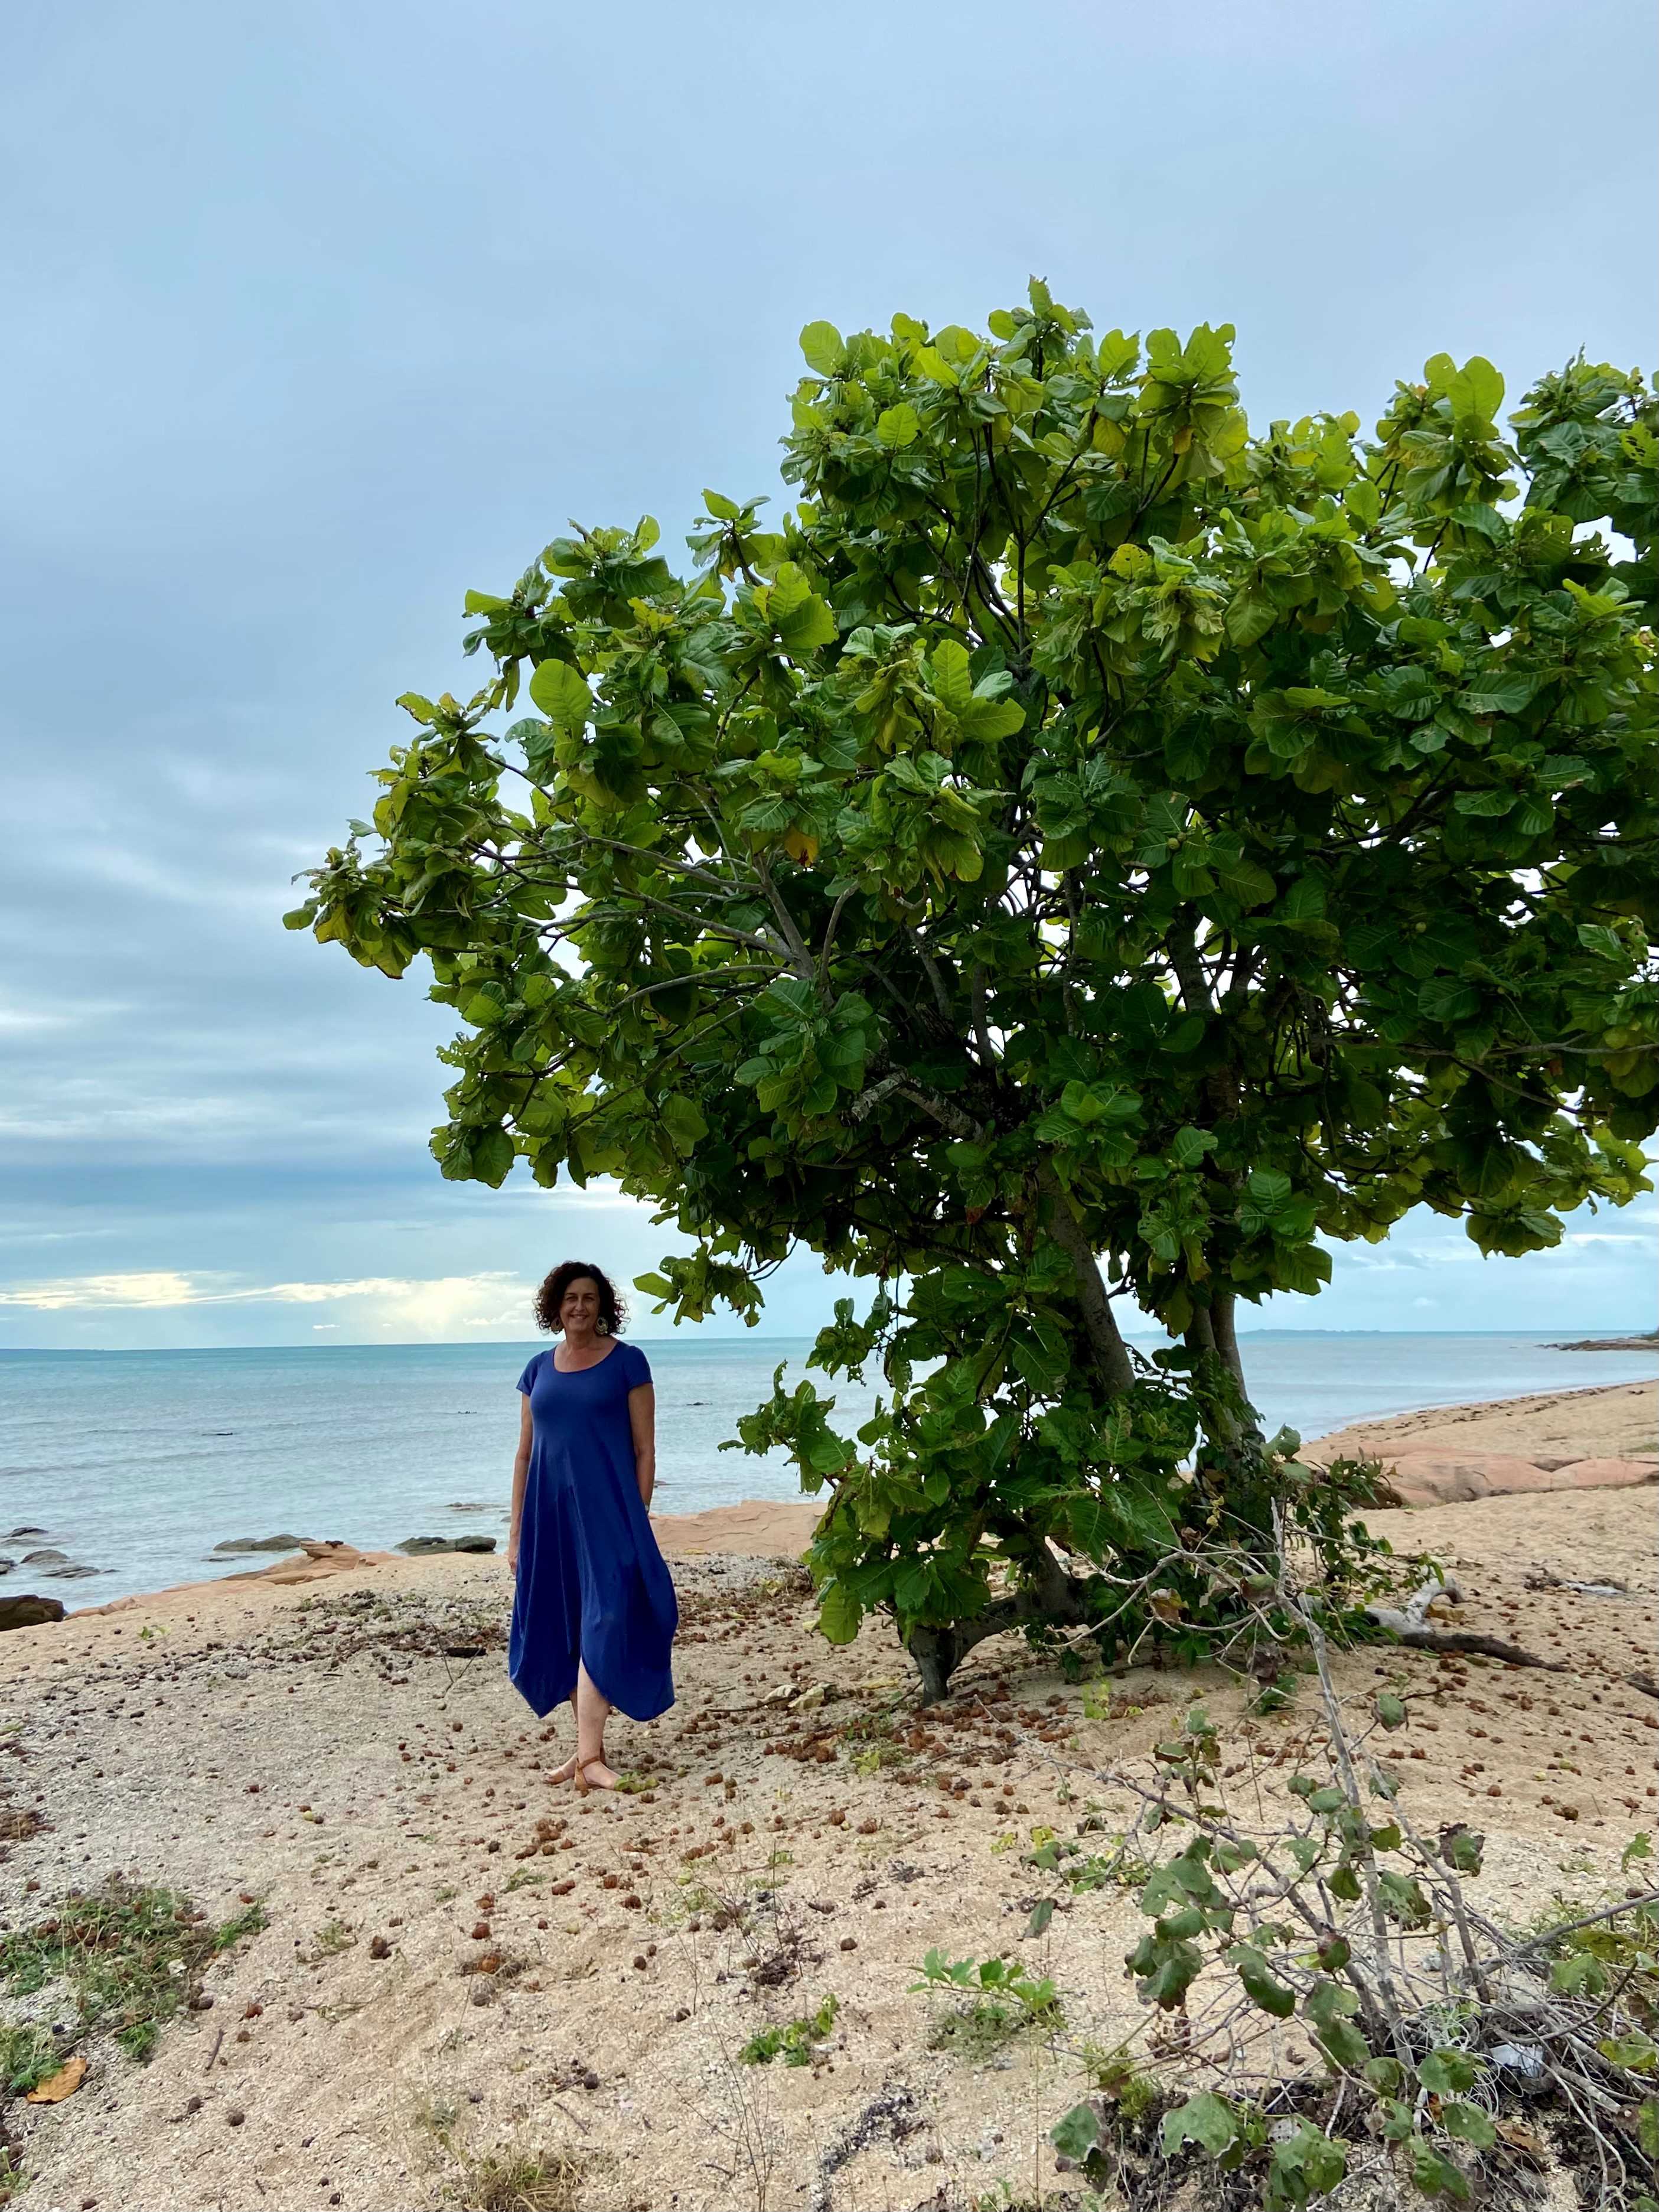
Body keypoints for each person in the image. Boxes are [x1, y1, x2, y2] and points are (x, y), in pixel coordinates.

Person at [507, 1261, 677, 1789]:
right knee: (569, 1627)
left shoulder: (628, 1362)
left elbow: (645, 1448)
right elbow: (524, 1454)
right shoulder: (537, 1368)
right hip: (549, 1517)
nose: (579, 1306)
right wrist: (515, 1533)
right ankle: (588, 1753)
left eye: (588, 1297)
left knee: (606, 1622)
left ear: (603, 1305)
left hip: (611, 1514)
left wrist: (638, 1513)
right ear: (554, 1306)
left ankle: (586, 1760)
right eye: (569, 1298)